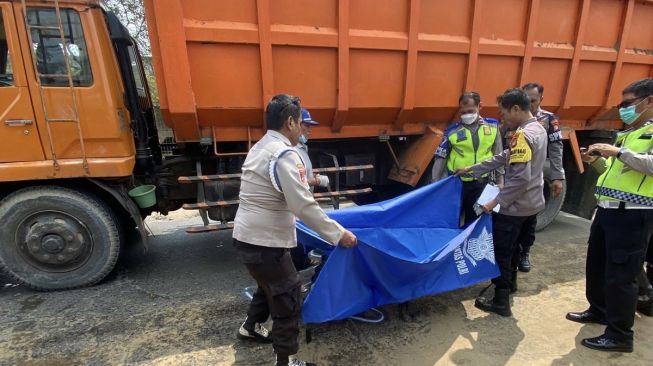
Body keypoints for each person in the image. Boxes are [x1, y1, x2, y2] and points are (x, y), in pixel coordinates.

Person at [232, 94, 358, 366]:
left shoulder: (261, 147)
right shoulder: (284, 154)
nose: (302, 128)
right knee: (288, 296)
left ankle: (250, 327)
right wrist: (339, 235)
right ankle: (287, 361)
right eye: (301, 122)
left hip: (246, 238)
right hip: (265, 242)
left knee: (269, 285)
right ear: (290, 122)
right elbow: (304, 205)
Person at [566, 78, 653, 353]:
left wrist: (618, 151)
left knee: (622, 275)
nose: (623, 109)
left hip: (634, 215)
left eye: (628, 104)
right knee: (598, 266)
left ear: (649, 101)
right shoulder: (630, 132)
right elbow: (612, 173)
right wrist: (597, 161)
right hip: (607, 210)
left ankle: (619, 335)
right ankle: (599, 310)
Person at [455, 88, 547, 317]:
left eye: (504, 112)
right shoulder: (537, 129)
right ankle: (511, 284)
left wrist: (495, 201)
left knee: (501, 253)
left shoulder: (522, 135)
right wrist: (473, 169)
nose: (502, 117)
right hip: (532, 204)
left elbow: (520, 179)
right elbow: (504, 157)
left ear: (516, 108)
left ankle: (500, 300)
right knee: (516, 248)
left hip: (514, 208)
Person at [502, 83, 565, 272]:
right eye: (526, 100)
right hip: (512, 174)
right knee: (511, 232)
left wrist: (557, 176)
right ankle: (511, 264)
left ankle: (524, 254)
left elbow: (556, 149)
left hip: (531, 180)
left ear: (541, 99)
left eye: (533, 100)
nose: (529, 103)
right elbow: (503, 148)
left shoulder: (547, 120)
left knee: (527, 225)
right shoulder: (512, 121)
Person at [432, 92, 503, 226]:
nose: (466, 115)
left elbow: (499, 156)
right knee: (452, 219)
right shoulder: (452, 131)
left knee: (475, 220)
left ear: (479, 106)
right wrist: (436, 185)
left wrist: (500, 181)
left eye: (470, 111)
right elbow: (440, 158)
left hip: (481, 184)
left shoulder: (493, 127)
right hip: (457, 183)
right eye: (463, 112)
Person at [295, 108, 329, 190]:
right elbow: (294, 182)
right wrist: (316, 181)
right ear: (295, 125)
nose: (310, 130)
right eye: (306, 126)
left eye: (310, 126)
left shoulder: (301, 148)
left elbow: (301, 174)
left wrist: (313, 175)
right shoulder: (292, 151)